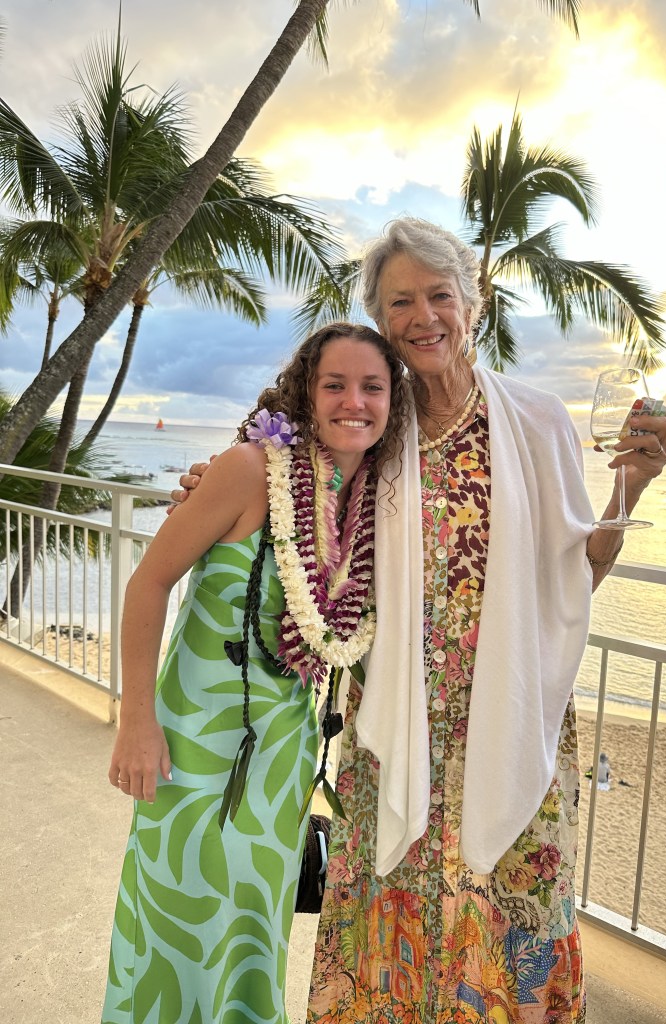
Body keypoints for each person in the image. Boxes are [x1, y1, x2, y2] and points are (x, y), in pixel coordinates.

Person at [176, 218, 666, 1024]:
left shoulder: (538, 420)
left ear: (474, 304)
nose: (423, 316)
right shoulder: (371, 423)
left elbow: (575, 578)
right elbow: (285, 487)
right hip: (397, 721)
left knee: (513, 921)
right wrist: (209, 485)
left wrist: (631, 490)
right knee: (389, 926)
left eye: (440, 295)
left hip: (507, 717)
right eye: (400, 301)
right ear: (380, 318)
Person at [101, 322, 409, 1024]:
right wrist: (136, 721)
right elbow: (148, 584)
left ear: (393, 403)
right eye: (335, 384)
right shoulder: (248, 469)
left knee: (253, 930)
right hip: (194, 743)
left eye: (372, 387)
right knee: (177, 918)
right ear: (306, 392)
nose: (353, 402)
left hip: (284, 757)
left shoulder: (375, 503)